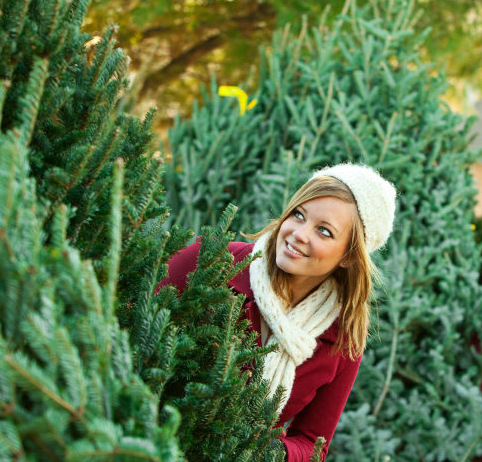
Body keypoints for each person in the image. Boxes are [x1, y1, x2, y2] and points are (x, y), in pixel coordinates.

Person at [158, 163, 396, 461]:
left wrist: (269, 450)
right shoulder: (212, 261)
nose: (299, 234)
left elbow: (313, 443)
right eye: (299, 215)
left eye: (324, 231)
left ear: (349, 256)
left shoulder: (343, 339)